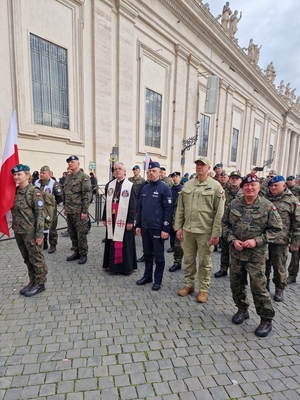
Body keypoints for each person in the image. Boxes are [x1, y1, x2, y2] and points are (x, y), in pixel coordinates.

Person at [222, 173, 283, 337]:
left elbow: (277, 230)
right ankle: (242, 309)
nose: (249, 188)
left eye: (253, 185)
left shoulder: (267, 206)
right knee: (236, 284)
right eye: (246, 185)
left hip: (256, 256)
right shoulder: (234, 204)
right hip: (236, 253)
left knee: (258, 287)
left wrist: (257, 241)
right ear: (242, 187)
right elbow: (225, 225)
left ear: (258, 187)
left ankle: (266, 319)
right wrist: (232, 240)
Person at [174, 157, 225, 303]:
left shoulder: (215, 186)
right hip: (188, 229)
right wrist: (178, 227)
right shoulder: (188, 184)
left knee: (204, 261)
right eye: (197, 164)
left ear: (208, 168)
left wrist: (216, 233)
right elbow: (180, 208)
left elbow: (219, 212)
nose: (199, 167)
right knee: (189, 259)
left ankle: (203, 289)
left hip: (205, 231)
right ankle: (189, 285)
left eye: (202, 165)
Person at [11, 164, 48, 297]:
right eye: (14, 175)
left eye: (19, 174)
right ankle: (32, 281)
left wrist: (39, 234)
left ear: (27, 175)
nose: (16, 177)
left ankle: (40, 283)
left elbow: (40, 215)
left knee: (36, 258)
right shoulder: (15, 191)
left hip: (31, 232)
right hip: (19, 231)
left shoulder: (34, 192)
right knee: (27, 258)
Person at [136, 161, 173, 291]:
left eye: (153, 171)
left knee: (159, 256)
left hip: (158, 228)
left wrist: (165, 229)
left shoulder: (164, 188)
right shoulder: (144, 188)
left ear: (159, 172)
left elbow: (169, 210)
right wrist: (138, 224)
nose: (150, 173)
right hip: (145, 227)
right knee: (147, 254)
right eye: (149, 171)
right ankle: (147, 277)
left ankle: (157, 280)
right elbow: (140, 207)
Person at [265, 176, 300, 301]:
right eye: (271, 186)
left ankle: (279, 289)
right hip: (264, 239)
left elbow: (298, 223)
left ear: (284, 186)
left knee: (279, 267)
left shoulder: (292, 201)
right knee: (264, 266)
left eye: (276, 186)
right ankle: (265, 288)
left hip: (281, 241)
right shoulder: (265, 198)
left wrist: (295, 241)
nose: (273, 188)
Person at [102, 162, 137, 274]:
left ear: (124, 171)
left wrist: (131, 221)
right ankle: (112, 266)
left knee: (125, 243)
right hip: (111, 218)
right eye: (115, 169)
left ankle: (125, 267)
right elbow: (106, 203)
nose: (117, 171)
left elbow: (133, 205)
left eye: (120, 169)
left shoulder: (130, 186)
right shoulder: (109, 185)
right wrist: (104, 217)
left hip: (124, 218)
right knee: (111, 240)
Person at [64, 155, 92, 265]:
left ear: (78, 164)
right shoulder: (68, 177)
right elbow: (66, 194)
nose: (70, 164)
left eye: (72, 162)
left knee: (81, 234)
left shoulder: (84, 177)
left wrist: (84, 211)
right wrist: (66, 208)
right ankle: (76, 251)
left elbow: (87, 195)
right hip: (70, 211)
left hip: (79, 211)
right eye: (69, 162)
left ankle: (83, 254)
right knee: (72, 233)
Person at [215, 170, 242, 278]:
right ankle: (223, 268)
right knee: (225, 249)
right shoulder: (223, 191)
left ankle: (236, 272)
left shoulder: (244, 192)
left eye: (236, 178)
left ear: (240, 180)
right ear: (229, 179)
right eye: (232, 178)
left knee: (237, 251)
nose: (234, 180)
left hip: (239, 226)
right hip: (226, 224)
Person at [35, 165, 63, 253]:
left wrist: (54, 205)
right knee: (41, 225)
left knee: (52, 227)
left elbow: (59, 196)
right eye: (40, 173)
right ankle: (44, 242)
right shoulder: (36, 183)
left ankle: (53, 244)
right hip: (39, 209)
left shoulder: (54, 183)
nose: (41, 175)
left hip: (50, 211)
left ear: (49, 174)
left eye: (44, 173)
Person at [167, 172, 182, 253]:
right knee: (171, 231)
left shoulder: (182, 189)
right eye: (173, 177)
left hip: (178, 213)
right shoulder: (170, 189)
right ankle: (172, 245)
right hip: (171, 212)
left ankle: (178, 247)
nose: (175, 178)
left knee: (177, 230)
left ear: (179, 178)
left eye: (176, 176)